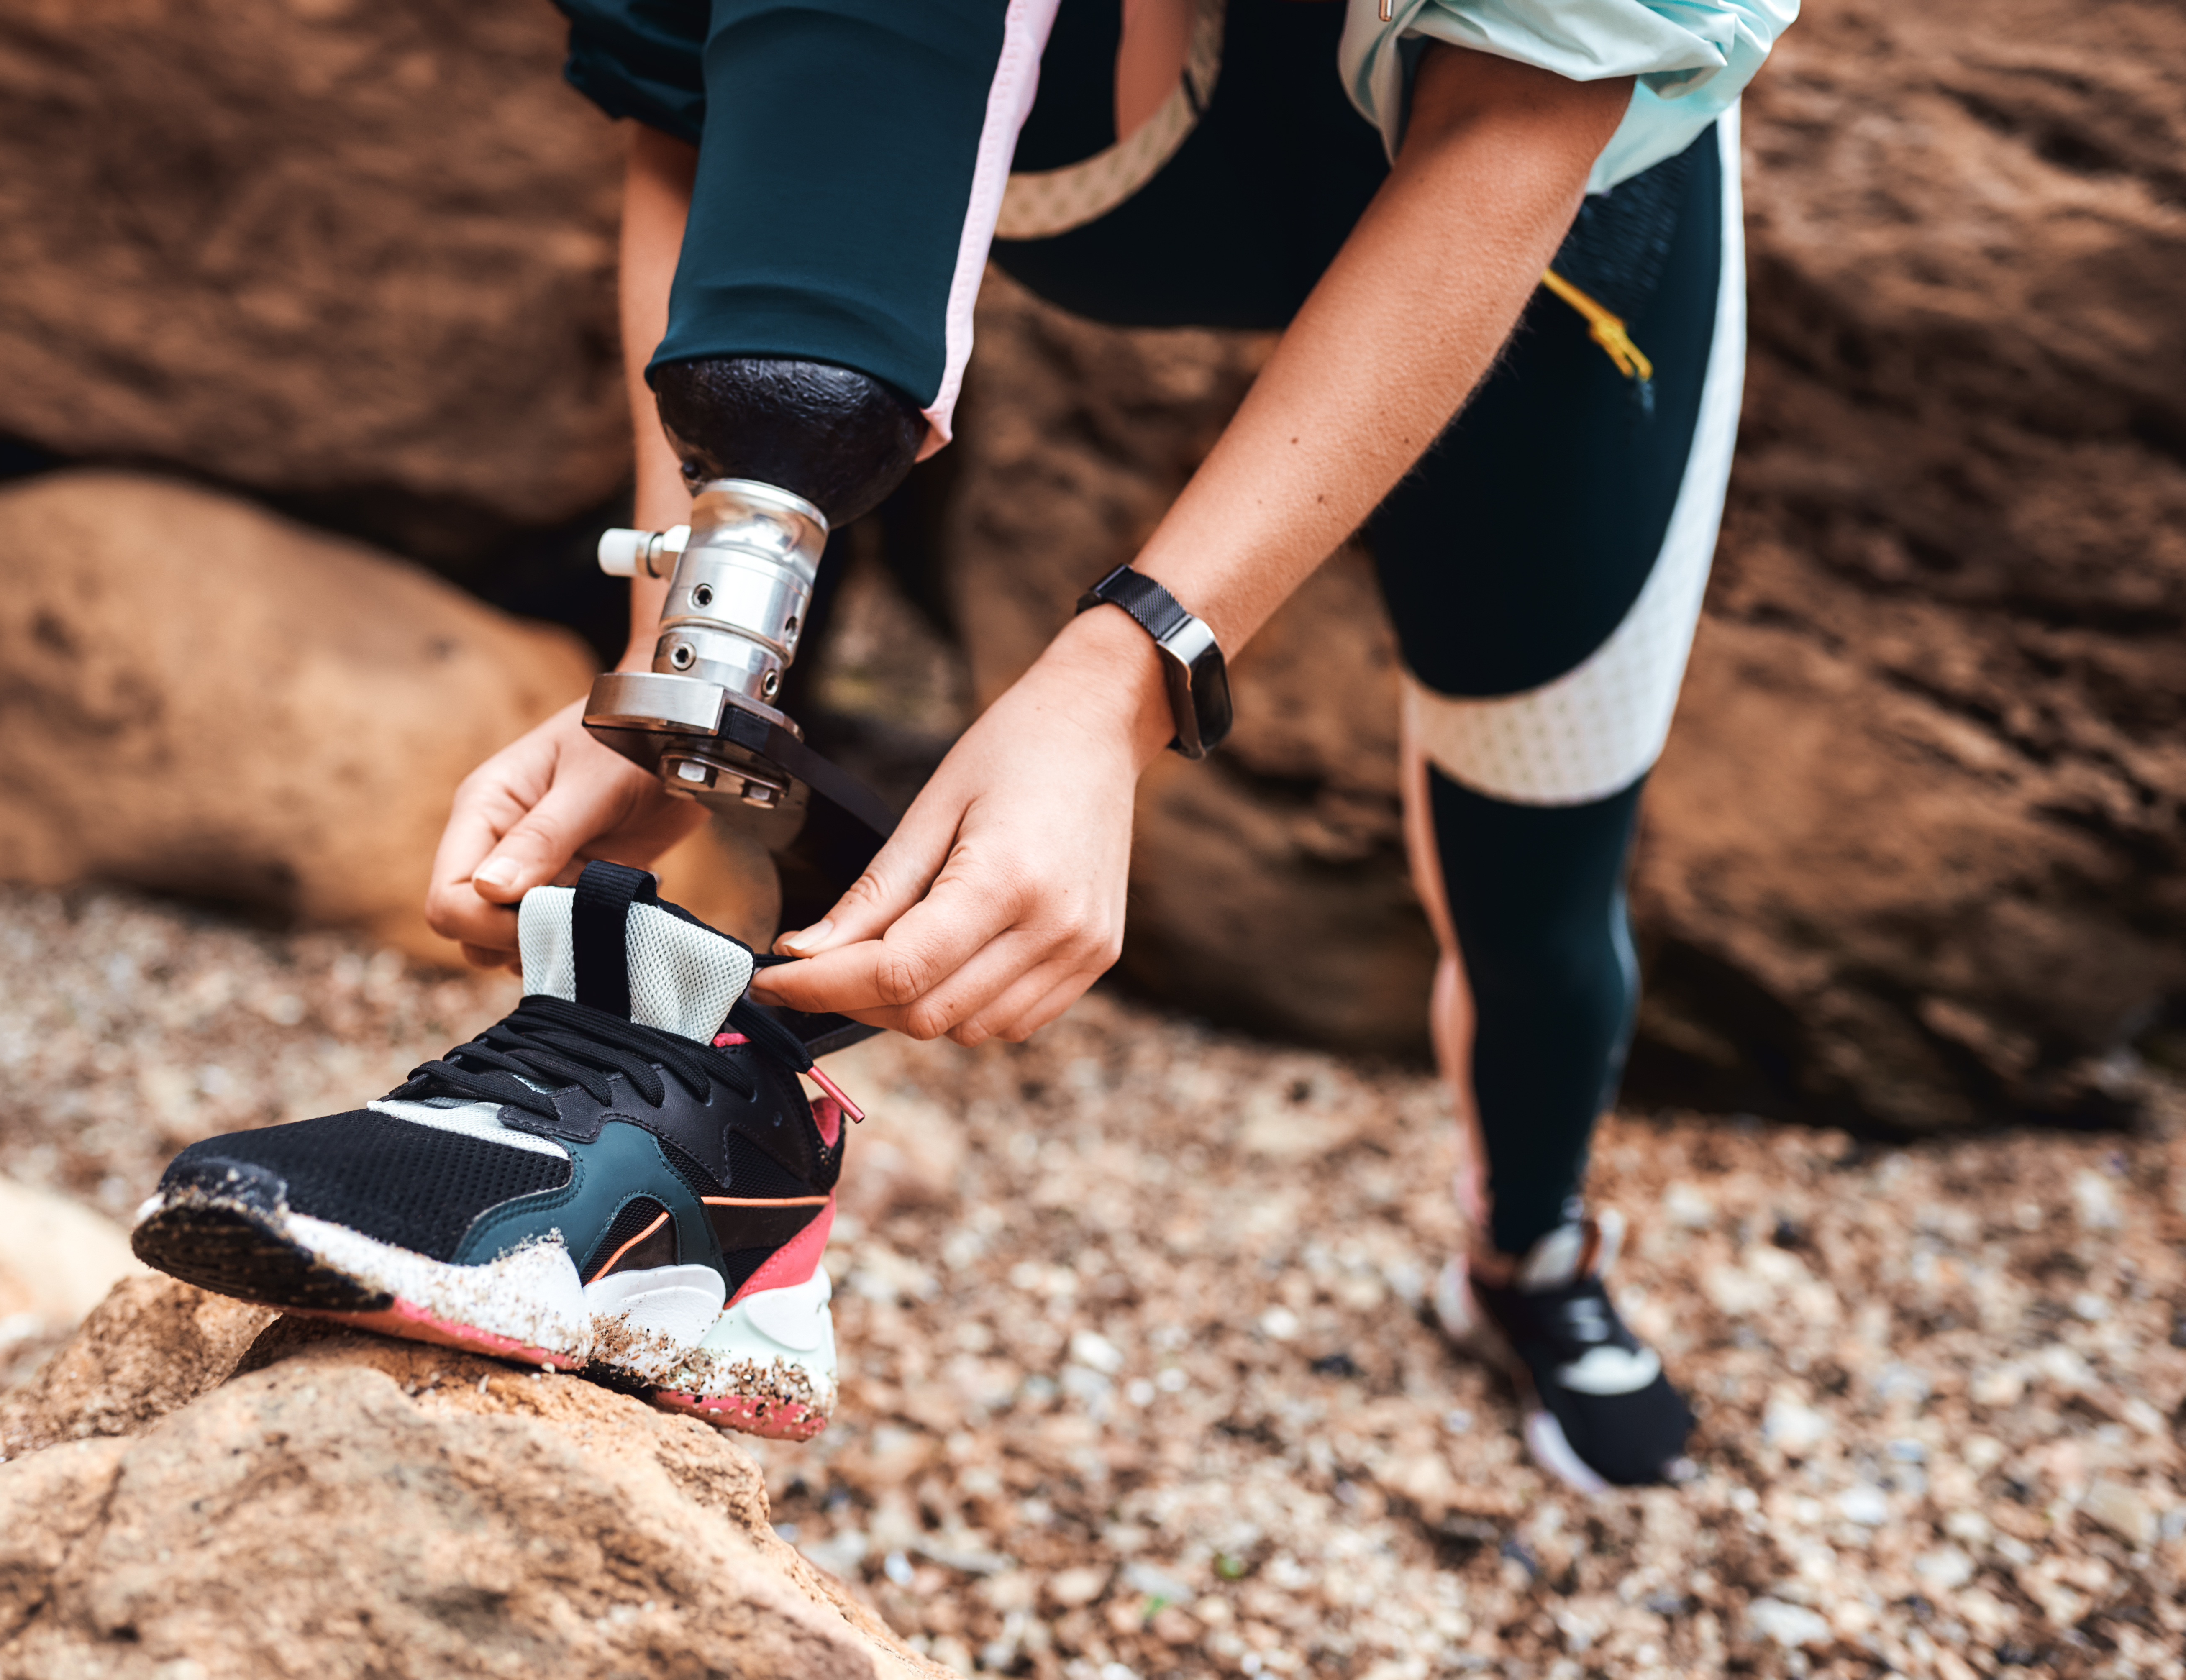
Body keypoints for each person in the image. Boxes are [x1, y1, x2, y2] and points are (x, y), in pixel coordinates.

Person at [133, 0, 1793, 1488]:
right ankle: (698, 1148)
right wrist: (679, 652)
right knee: (786, 317)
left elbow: (1516, 122)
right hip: (974, 78)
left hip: (1534, 222)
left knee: (1531, 897)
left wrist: (1121, 681)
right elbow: (697, 107)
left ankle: (1527, 1251)